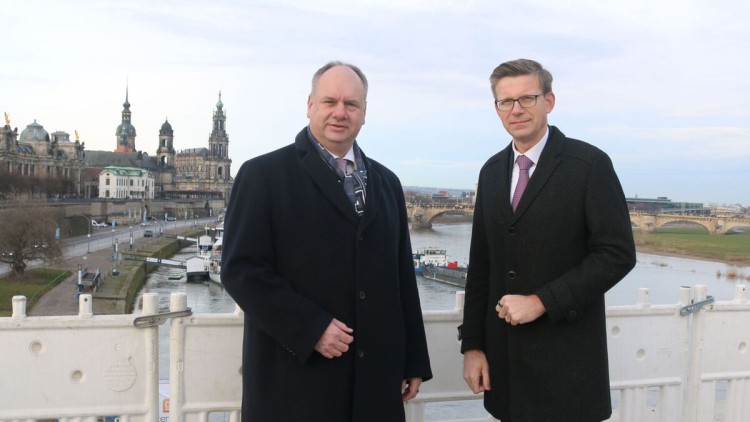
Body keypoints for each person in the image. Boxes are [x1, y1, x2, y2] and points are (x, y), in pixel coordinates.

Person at [221, 61, 432, 422]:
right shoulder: (262, 175)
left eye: (351, 104)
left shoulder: (387, 182)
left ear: (364, 113)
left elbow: (401, 277)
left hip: (375, 382)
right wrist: (311, 327)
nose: (340, 112)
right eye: (329, 101)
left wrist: (413, 359)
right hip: (296, 379)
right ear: (310, 105)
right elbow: (241, 270)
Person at [459, 58, 636, 422]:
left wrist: (542, 301)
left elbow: (617, 254)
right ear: (496, 109)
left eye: (528, 98)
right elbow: (482, 267)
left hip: (567, 366)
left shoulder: (588, 164)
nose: (517, 109)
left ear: (549, 102)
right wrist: (473, 346)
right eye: (506, 101)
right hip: (506, 366)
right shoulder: (491, 172)